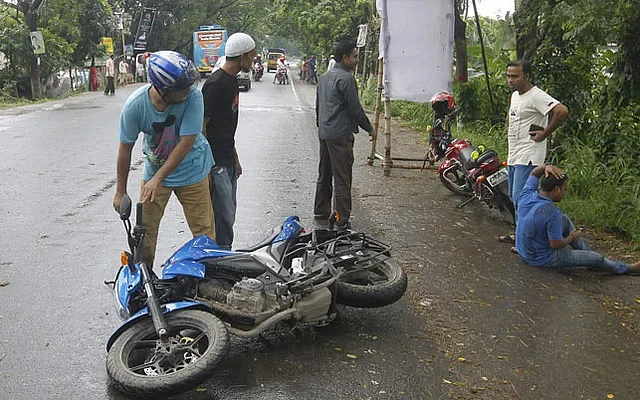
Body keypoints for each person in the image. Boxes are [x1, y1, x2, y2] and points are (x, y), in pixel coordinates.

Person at [113, 50, 215, 267]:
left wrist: (158, 178)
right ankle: (144, 279)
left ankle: (210, 279)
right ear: (163, 90)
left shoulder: (193, 97)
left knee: (204, 232)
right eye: (181, 89)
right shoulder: (135, 106)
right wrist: (120, 191)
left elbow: (186, 143)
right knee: (143, 234)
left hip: (193, 169)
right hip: (155, 170)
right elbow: (125, 149)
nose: (188, 92)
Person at [515, 164, 640, 274]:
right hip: (541, 258)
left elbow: (534, 173)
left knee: (564, 219)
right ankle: (626, 268)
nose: (565, 193)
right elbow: (555, 244)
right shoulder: (552, 212)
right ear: (556, 189)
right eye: (564, 190)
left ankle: (588, 257)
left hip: (524, 251)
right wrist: (572, 237)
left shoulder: (527, 194)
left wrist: (546, 166)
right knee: (597, 258)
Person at [499, 60, 569, 249]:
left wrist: (545, 133)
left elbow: (561, 111)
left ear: (527, 76)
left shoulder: (536, 95)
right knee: (515, 199)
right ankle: (520, 234)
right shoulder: (515, 96)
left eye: (515, 76)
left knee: (523, 199)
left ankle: (526, 242)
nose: (510, 80)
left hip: (529, 156)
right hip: (515, 155)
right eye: (508, 76)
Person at [202, 33, 256, 250]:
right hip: (216, 163)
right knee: (222, 217)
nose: (253, 60)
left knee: (228, 214)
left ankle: (223, 256)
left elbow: (226, 126)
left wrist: (235, 158)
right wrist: (207, 168)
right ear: (242, 56)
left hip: (228, 159)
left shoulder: (233, 82)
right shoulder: (215, 84)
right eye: (251, 56)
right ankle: (219, 259)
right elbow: (201, 127)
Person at [314, 40, 373, 230]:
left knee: (325, 172)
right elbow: (355, 109)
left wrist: (321, 126)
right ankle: (342, 217)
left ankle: (321, 209)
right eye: (355, 57)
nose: (357, 60)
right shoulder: (347, 79)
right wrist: (369, 128)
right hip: (340, 135)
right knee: (342, 176)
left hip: (325, 132)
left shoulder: (324, 77)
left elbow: (318, 106)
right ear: (345, 58)